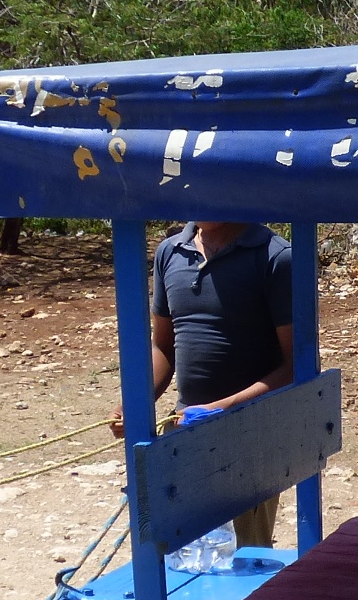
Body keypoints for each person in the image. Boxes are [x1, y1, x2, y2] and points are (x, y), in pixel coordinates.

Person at [110, 218, 297, 548]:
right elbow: (163, 346)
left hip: (251, 436)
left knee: (245, 555)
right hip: (184, 431)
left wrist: (222, 408)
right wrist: (138, 401)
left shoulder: (275, 256)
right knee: (177, 550)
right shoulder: (170, 252)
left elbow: (296, 365)